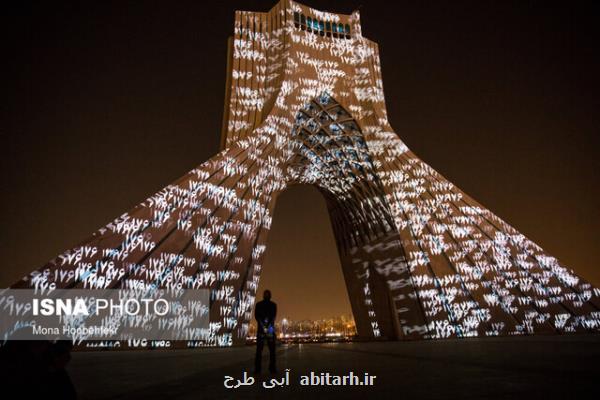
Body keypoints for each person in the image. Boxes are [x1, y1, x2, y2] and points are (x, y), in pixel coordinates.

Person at [254, 289, 277, 374]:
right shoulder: (273, 305)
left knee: (263, 351)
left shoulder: (259, 304)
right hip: (269, 329)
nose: (267, 296)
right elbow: (272, 317)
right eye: (266, 294)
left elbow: (257, 317)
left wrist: (263, 325)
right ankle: (271, 369)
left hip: (262, 329)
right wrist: (267, 326)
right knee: (265, 351)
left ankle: (259, 369)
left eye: (267, 294)